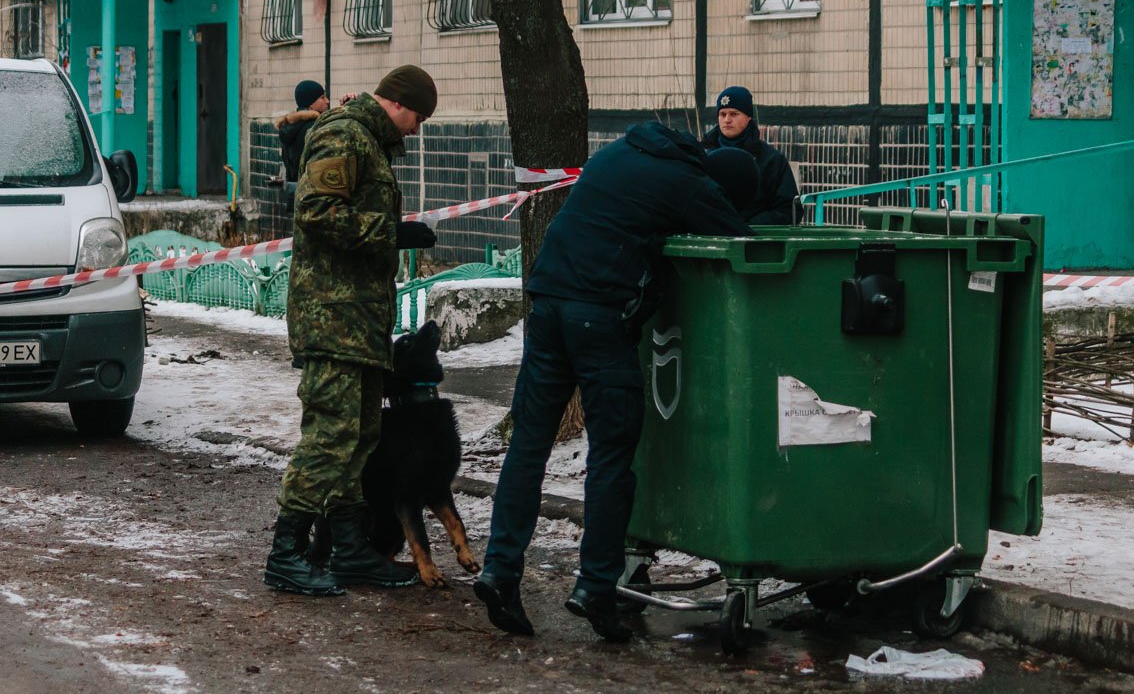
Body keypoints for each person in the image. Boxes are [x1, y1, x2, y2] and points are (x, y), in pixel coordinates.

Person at [473, 124, 759, 642]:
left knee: (529, 446)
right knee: (611, 454)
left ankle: (499, 569)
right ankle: (596, 586)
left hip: (547, 302)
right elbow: (739, 238)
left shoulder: (624, 149)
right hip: (598, 316)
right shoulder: (692, 183)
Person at [264, 65, 440, 597]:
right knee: (330, 437)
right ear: (398, 103)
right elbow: (315, 212)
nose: (417, 130)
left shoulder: (368, 140)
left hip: (359, 320)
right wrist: (393, 231)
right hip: (332, 318)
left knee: (360, 436)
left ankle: (349, 548)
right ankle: (285, 553)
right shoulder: (343, 134)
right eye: (419, 118)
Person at [701, 85, 799, 225]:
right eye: (722, 114)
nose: (727, 120)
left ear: (748, 118)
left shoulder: (771, 160)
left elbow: (789, 210)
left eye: (734, 114)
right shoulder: (701, 156)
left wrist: (749, 226)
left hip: (756, 241)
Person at [276, 80, 331, 184]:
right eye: (322, 97)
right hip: (312, 190)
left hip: (294, 189)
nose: (327, 101)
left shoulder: (290, 127)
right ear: (310, 105)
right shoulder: (314, 127)